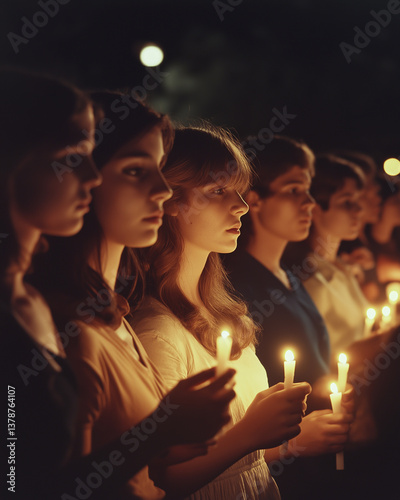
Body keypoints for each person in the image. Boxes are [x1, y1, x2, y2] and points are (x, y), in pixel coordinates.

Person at [4, 79, 235, 500]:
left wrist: (163, 441)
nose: (163, 192)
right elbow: (23, 481)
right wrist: (155, 435)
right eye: (134, 171)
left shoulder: (111, 313)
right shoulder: (67, 328)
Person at [131, 125, 311, 499]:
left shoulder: (221, 313)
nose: (242, 206)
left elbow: (244, 460)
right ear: (170, 201)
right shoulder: (157, 332)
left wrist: (288, 435)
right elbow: (164, 477)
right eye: (218, 191)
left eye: (238, 191)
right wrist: (250, 432)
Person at [225, 135, 330, 389]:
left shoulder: (288, 276)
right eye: (293, 190)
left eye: (308, 191)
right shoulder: (237, 289)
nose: (309, 203)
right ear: (254, 200)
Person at [285, 154, 368, 357]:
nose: (359, 209)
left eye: (358, 201)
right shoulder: (311, 280)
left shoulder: (340, 266)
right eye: (347, 202)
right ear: (316, 208)